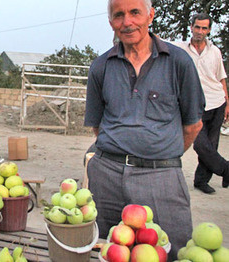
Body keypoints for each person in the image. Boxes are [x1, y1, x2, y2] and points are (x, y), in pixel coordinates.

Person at [84, 0, 205, 260]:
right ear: (111, 23)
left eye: (134, 12)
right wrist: (122, 153)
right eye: (119, 15)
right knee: (105, 249)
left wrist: (162, 154)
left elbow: (193, 124)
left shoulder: (178, 62)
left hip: (161, 175)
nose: (127, 22)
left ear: (150, 15)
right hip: (107, 176)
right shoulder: (100, 66)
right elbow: (97, 125)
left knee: (172, 250)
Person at [173, 13, 228, 194]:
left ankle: (201, 181)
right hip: (194, 105)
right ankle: (226, 169)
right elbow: (158, 42)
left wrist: (227, 103)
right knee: (200, 144)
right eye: (197, 27)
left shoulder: (215, 52)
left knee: (211, 145)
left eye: (204, 28)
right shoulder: (180, 48)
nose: (200, 31)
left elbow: (221, 78)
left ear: (209, 30)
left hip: (217, 102)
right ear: (191, 27)